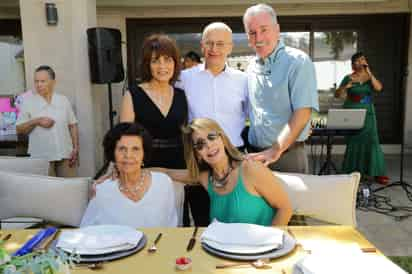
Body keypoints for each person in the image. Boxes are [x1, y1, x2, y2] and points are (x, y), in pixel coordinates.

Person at [176, 22, 249, 226]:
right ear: (202, 46)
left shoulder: (244, 80)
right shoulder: (184, 78)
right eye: (209, 43)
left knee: (235, 218)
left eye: (220, 44)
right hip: (198, 157)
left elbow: (253, 116)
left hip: (233, 157)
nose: (214, 49)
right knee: (201, 218)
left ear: (230, 47)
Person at [155, 118, 292, 226]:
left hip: (262, 252)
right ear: (196, 154)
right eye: (200, 145)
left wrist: (269, 247)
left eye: (212, 137)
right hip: (228, 252)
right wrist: (137, 168)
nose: (209, 145)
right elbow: (167, 172)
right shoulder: (206, 178)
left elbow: (285, 208)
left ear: (222, 138)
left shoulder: (250, 169)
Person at [243, 4, 319, 173]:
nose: (258, 37)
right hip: (255, 155)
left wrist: (275, 150)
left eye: (264, 30)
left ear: (277, 30)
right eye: (252, 33)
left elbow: (303, 112)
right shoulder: (250, 67)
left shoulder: (297, 62)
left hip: (286, 155)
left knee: (290, 200)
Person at [81, 122, 178, 228]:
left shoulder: (163, 183)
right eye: (122, 149)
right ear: (113, 154)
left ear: (143, 154)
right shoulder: (101, 190)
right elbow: (86, 230)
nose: (128, 155)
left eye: (135, 149)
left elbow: (172, 227)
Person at [120, 34, 187, 169]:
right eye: (155, 60)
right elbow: (124, 138)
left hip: (179, 166)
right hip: (144, 166)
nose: (162, 66)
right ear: (147, 65)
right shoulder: (133, 95)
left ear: (175, 63)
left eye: (167, 60)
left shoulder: (181, 95)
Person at [16, 65, 79, 177]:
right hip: (42, 157)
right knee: (47, 191)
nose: (38, 85)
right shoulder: (28, 102)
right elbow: (19, 129)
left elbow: (72, 124)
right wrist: (37, 121)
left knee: (68, 188)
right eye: (36, 81)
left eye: (43, 81)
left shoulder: (63, 100)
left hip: (65, 153)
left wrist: (75, 148)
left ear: (53, 82)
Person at [335, 52, 387, 184]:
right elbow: (338, 95)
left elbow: (379, 88)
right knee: (354, 141)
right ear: (353, 64)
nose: (361, 62)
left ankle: (377, 172)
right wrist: (344, 87)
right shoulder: (348, 78)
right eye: (358, 60)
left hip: (368, 112)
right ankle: (353, 170)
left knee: (372, 140)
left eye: (363, 59)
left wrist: (369, 72)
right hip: (351, 110)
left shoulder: (370, 78)